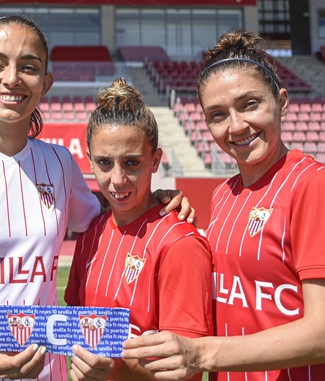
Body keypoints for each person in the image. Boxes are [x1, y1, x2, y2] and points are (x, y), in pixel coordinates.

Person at [0, 15, 193, 381]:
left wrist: (156, 202)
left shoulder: (59, 163)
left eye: (28, 67)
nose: (12, 78)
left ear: (45, 83)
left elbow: (110, 219)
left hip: (45, 373)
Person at [121, 29, 325, 381]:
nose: (236, 126)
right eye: (218, 115)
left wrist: (201, 353)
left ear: (281, 101)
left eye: (249, 104)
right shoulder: (224, 194)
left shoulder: (317, 186)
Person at [64, 78, 213, 381]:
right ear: (90, 160)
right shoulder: (91, 233)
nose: (117, 179)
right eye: (105, 163)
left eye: (132, 163)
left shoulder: (181, 242)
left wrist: (113, 368)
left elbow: (187, 366)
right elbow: (77, 328)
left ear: (155, 160)